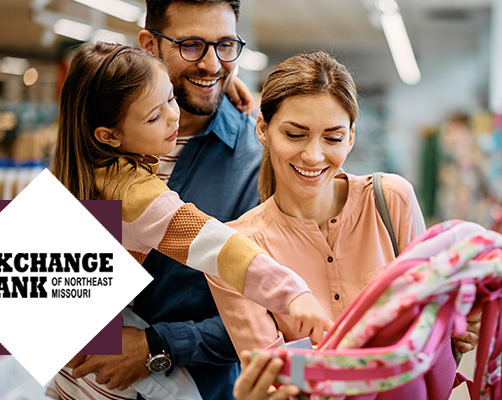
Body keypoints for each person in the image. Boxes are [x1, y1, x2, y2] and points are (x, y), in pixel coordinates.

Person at [50, 42, 332, 399]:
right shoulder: (138, 197)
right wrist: (293, 293)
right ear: (109, 135)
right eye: (154, 116)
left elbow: (108, 76)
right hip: (107, 377)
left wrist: (223, 83)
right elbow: (219, 246)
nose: (174, 117)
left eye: (171, 98)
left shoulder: (76, 165)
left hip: (66, 368)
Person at [206, 52, 481, 400]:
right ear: (263, 129)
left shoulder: (392, 200)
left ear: (351, 137)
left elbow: (427, 331)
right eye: (295, 134)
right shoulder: (238, 251)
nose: (313, 156)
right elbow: (274, 376)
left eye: (333, 138)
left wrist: (455, 331)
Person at [60, 1, 270, 400]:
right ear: (149, 44)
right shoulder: (95, 138)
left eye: (225, 45)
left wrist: (158, 346)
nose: (211, 65)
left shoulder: (256, 161)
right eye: (191, 45)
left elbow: (271, 317)